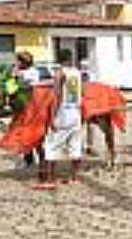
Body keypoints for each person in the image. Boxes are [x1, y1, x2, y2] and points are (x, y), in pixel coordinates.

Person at [34, 49, 83, 190]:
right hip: (75, 111)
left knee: (51, 145)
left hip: (63, 112)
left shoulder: (60, 74)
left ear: (58, 59)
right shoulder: (77, 73)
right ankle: (74, 177)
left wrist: (52, 116)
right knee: (75, 144)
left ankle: (50, 179)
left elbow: (56, 96)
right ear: (70, 58)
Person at [12, 51, 42, 168]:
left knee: (32, 132)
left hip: (30, 106)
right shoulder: (24, 72)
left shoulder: (31, 73)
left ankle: (39, 157)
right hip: (22, 106)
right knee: (24, 132)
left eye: (19, 61)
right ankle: (28, 157)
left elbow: (22, 84)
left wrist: (16, 74)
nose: (17, 63)